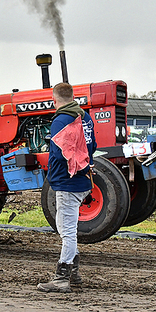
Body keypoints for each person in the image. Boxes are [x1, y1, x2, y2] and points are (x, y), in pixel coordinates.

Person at [37, 83, 96, 293]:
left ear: (55, 100)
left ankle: (62, 278)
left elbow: (58, 152)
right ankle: (74, 274)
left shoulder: (60, 120)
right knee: (65, 228)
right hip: (82, 181)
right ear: (73, 96)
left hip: (67, 182)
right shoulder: (85, 117)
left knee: (67, 231)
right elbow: (93, 146)